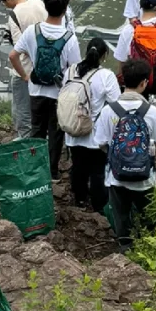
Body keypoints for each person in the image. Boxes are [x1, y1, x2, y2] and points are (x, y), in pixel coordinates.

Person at [94, 57, 156, 251]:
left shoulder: (109, 111)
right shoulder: (151, 111)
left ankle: (126, 251)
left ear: (122, 80)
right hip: (145, 177)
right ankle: (151, 251)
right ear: (144, 83)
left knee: (122, 221)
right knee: (149, 220)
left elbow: (101, 142)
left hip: (117, 178)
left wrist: (119, 157)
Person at [9, 0, 81, 181]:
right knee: (55, 134)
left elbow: (13, 55)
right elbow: (74, 70)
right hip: (59, 94)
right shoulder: (69, 38)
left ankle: (34, 169)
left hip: (36, 91)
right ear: (65, 9)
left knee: (36, 131)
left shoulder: (33, 31)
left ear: (46, 7)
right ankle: (52, 172)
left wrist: (25, 76)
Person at [63, 36, 120, 211]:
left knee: (78, 166)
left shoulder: (71, 71)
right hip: (95, 133)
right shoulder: (106, 76)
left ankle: (79, 200)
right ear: (104, 56)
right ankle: (98, 206)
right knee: (97, 170)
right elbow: (115, 103)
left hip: (73, 128)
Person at [0, 0, 47, 138]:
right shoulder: (39, 3)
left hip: (26, 70)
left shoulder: (15, 15)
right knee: (42, 107)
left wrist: (24, 75)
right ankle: (44, 138)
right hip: (46, 67)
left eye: (4, 2)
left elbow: (19, 49)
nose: (5, 5)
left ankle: (26, 142)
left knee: (22, 109)